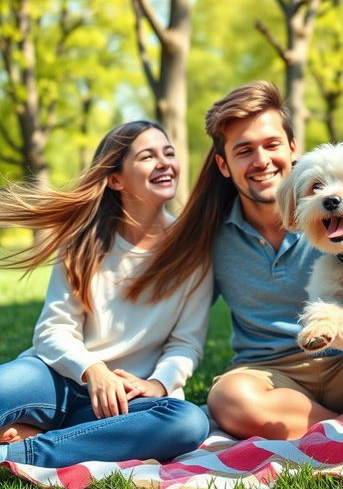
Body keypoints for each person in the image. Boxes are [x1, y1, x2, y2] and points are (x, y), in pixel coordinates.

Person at [142, 81, 343, 440]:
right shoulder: (208, 236)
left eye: (271, 145)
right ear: (223, 165)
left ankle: (337, 426)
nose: (261, 160)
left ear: (292, 149)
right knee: (228, 400)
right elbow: (171, 318)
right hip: (270, 374)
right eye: (243, 150)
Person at [0, 121, 211, 468]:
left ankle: (21, 449)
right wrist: (93, 370)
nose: (164, 163)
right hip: (57, 380)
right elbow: (53, 330)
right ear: (116, 179)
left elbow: (186, 343)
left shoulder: (192, 248)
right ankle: (62, 431)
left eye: (168, 153)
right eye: (147, 156)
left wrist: (159, 383)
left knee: (188, 422)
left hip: (131, 400)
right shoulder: (84, 241)